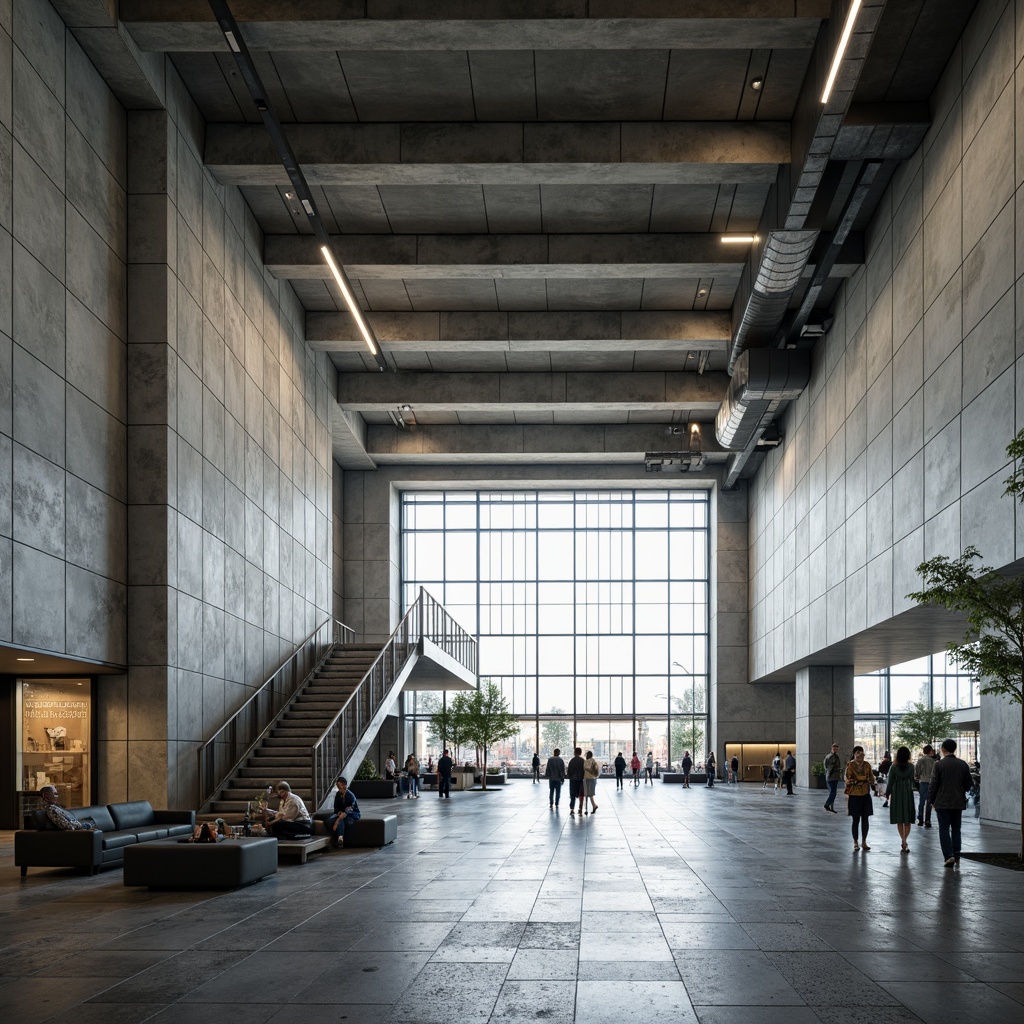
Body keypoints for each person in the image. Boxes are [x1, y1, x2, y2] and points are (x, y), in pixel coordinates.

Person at [928, 739, 975, 868]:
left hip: (942, 802)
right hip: (957, 802)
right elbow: (968, 784)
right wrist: (959, 791)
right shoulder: (963, 764)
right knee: (956, 828)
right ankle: (957, 853)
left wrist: (931, 800)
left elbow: (933, 784)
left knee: (943, 829)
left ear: (943, 749)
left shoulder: (939, 765)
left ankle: (949, 856)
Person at [885, 747, 915, 853]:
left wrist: (887, 793)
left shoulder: (893, 767)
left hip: (897, 792)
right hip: (907, 792)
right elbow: (913, 780)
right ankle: (905, 841)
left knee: (899, 818)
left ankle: (903, 840)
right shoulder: (911, 766)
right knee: (907, 818)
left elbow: (890, 782)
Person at [845, 747, 873, 851]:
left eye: (862, 753)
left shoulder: (867, 765)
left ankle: (864, 841)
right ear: (854, 754)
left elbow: (871, 778)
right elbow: (848, 779)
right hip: (854, 795)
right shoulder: (850, 765)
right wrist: (858, 780)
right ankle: (855, 841)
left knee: (865, 819)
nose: (860, 755)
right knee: (855, 819)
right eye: (858, 753)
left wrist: (870, 781)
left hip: (865, 794)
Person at [325, 776, 360, 848]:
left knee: (341, 820)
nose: (338, 788)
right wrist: (339, 814)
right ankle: (337, 837)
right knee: (327, 821)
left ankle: (340, 839)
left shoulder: (350, 796)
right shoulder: (338, 794)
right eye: (337, 786)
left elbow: (349, 810)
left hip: (351, 814)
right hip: (340, 813)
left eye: (339, 786)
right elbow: (336, 808)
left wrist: (337, 821)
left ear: (344, 785)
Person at [915, 745, 936, 827]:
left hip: (923, 782)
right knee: (929, 802)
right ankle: (927, 820)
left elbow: (917, 772)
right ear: (930, 751)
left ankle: (920, 819)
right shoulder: (933, 761)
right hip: (930, 782)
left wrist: (918, 776)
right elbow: (934, 773)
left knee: (921, 801)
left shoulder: (920, 760)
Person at [823, 743, 841, 813]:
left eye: (836, 748)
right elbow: (828, 767)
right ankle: (827, 804)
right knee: (833, 793)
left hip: (833, 777)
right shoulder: (830, 757)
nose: (835, 749)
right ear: (832, 748)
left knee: (832, 793)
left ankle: (831, 807)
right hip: (831, 777)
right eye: (834, 748)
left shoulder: (835, 756)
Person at [566, 747, 585, 815]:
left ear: (574, 752)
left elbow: (569, 771)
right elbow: (584, 770)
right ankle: (580, 809)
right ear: (580, 753)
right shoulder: (582, 760)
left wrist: (570, 776)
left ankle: (572, 809)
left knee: (572, 794)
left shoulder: (572, 761)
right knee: (580, 794)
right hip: (580, 780)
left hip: (573, 780)